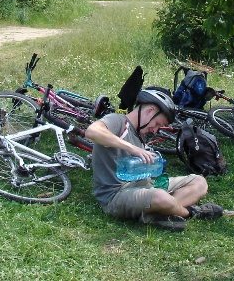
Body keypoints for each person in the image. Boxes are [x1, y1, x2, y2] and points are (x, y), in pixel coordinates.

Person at [84, 87, 225, 232]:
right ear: (150, 111)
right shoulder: (118, 121)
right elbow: (92, 131)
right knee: (160, 197)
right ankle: (192, 212)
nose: (156, 130)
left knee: (199, 182)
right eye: (157, 124)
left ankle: (157, 214)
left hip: (145, 186)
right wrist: (131, 148)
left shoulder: (141, 135)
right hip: (116, 196)